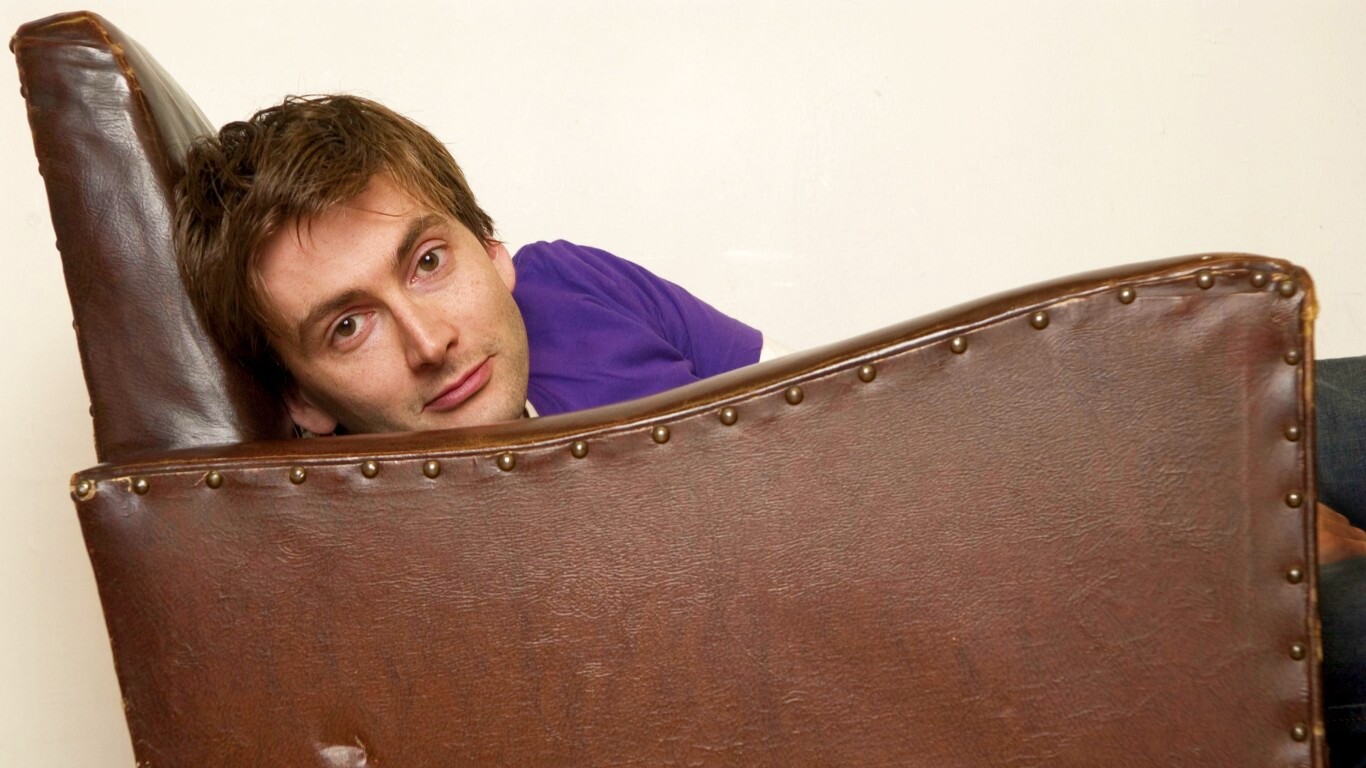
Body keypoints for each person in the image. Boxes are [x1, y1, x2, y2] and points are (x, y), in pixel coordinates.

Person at [174, 94, 1364, 764]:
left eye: (427, 262)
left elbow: (820, 447)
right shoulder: (406, 569)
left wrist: (1159, 478)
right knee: (1322, 590)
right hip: (930, 618)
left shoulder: (570, 281)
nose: (428, 338)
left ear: (490, 250)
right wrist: (1187, 535)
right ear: (302, 404)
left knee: (1304, 406)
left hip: (945, 492)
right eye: (346, 326)